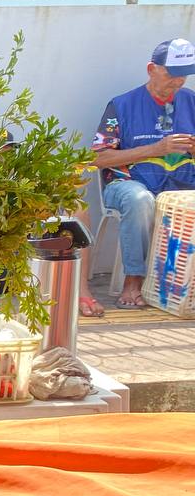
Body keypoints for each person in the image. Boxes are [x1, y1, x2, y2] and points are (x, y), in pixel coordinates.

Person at [91, 36, 195, 309]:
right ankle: (133, 281)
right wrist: (156, 148)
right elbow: (99, 158)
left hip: (182, 186)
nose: (178, 81)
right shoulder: (122, 105)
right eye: (172, 74)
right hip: (128, 183)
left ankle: (185, 288)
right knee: (140, 201)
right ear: (152, 69)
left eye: (185, 75)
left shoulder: (191, 102)